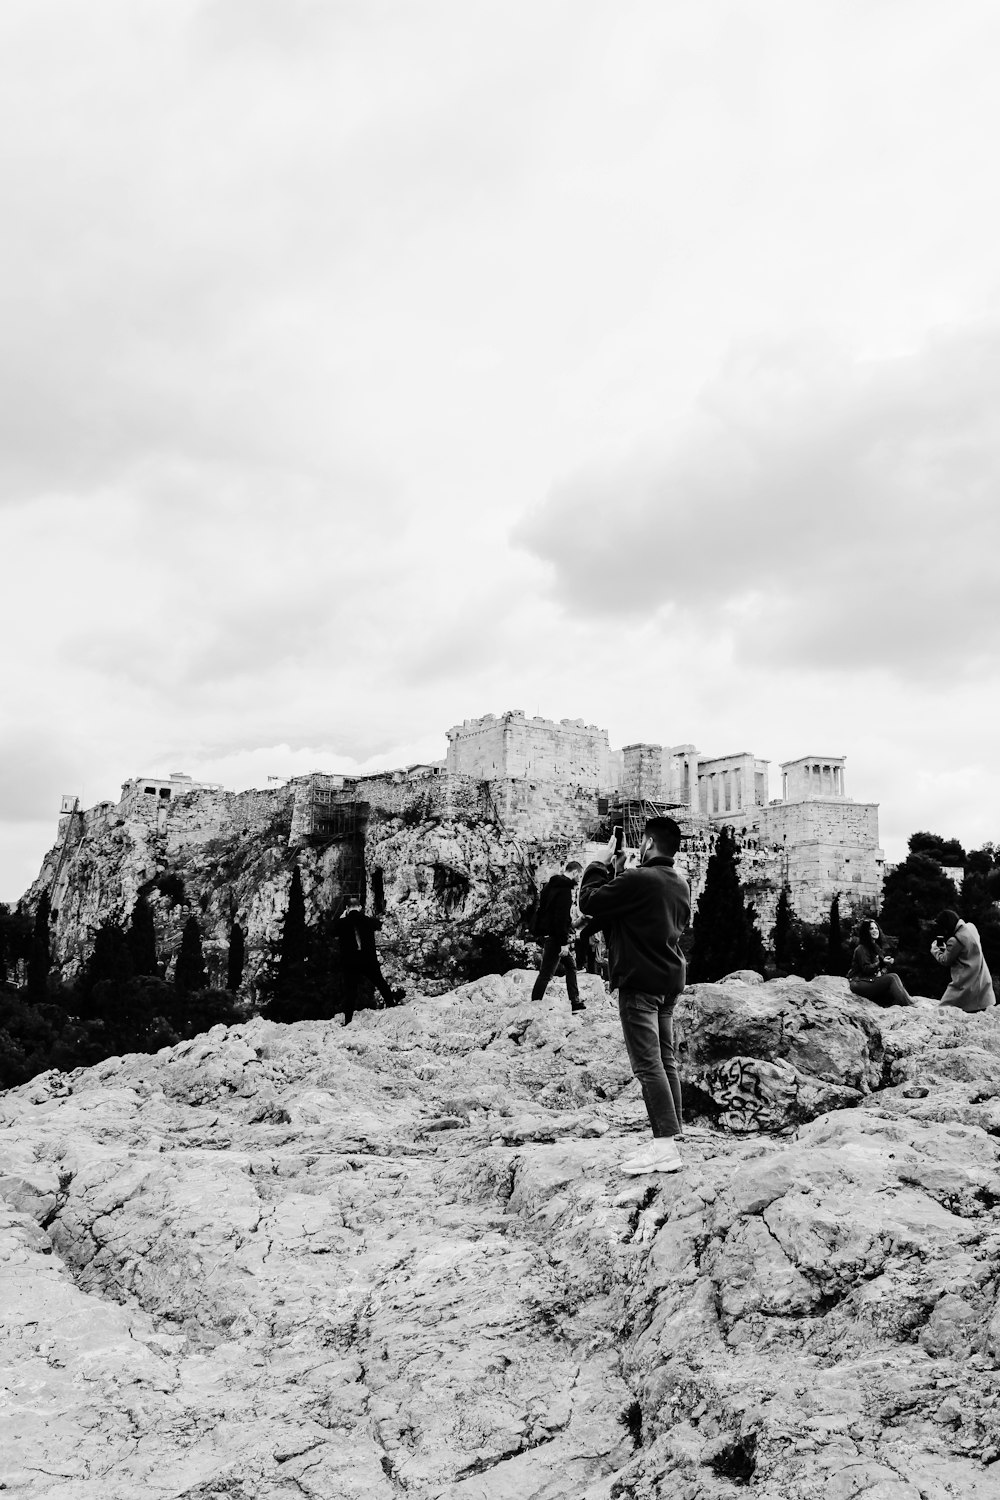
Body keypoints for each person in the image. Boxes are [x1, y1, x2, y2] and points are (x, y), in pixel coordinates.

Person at [578, 817, 690, 1176]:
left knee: (648, 1065)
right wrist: (620, 873)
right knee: (666, 1059)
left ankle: (664, 1147)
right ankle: (673, 1136)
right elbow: (632, 911)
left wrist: (598, 863)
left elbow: (589, 902)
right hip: (669, 980)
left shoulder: (640, 879)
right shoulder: (679, 882)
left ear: (649, 843)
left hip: (639, 981)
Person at [336, 902, 405, 1025]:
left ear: (347, 908)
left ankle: (348, 1020)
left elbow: (332, 931)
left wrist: (341, 918)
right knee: (380, 983)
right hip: (368, 960)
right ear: (360, 907)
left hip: (351, 961)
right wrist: (366, 916)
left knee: (350, 991)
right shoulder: (367, 920)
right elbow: (378, 924)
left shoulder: (342, 922)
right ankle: (392, 1007)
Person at [531, 861, 585, 1012]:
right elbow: (560, 918)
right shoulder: (564, 890)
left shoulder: (550, 886)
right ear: (574, 873)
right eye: (579, 876)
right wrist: (563, 943)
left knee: (570, 965)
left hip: (549, 934)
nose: (579, 880)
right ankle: (534, 1004)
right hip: (556, 937)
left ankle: (575, 1001)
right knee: (546, 974)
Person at [931, 909, 995, 1012]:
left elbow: (945, 960)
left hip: (966, 985)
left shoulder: (956, 940)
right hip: (982, 984)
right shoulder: (971, 927)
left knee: (942, 1011)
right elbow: (966, 952)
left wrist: (935, 949)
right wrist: (947, 949)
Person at [848, 919, 914, 1006]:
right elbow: (866, 969)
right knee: (892, 977)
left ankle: (907, 1001)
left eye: (876, 928)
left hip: (869, 981)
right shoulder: (861, 948)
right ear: (866, 932)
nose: (875, 930)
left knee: (894, 988)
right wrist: (882, 963)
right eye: (871, 928)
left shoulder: (875, 947)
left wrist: (885, 965)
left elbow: (879, 970)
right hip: (859, 983)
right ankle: (910, 1004)